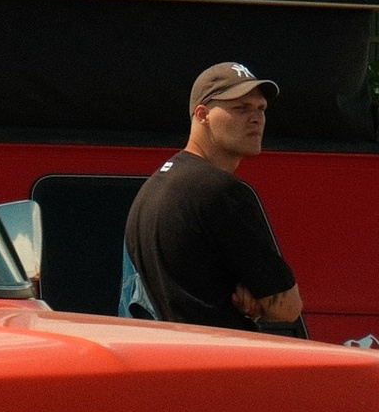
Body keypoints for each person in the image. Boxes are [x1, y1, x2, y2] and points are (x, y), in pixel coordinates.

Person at [122, 61, 307, 335]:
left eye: (261, 109)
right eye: (240, 108)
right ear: (202, 114)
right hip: (216, 363)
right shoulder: (218, 190)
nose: (256, 118)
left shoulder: (155, 186)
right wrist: (260, 300)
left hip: (171, 359)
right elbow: (287, 307)